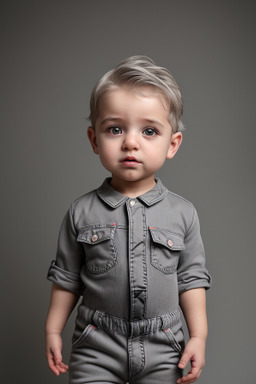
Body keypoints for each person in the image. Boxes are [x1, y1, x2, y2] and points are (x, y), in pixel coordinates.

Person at [45, 55, 212, 384]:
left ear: (172, 144)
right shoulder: (81, 212)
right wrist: (52, 329)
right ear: (94, 140)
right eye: (115, 129)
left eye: (149, 131)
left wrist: (198, 336)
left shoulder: (183, 213)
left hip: (164, 345)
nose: (130, 142)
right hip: (96, 344)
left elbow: (192, 280)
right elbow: (66, 277)